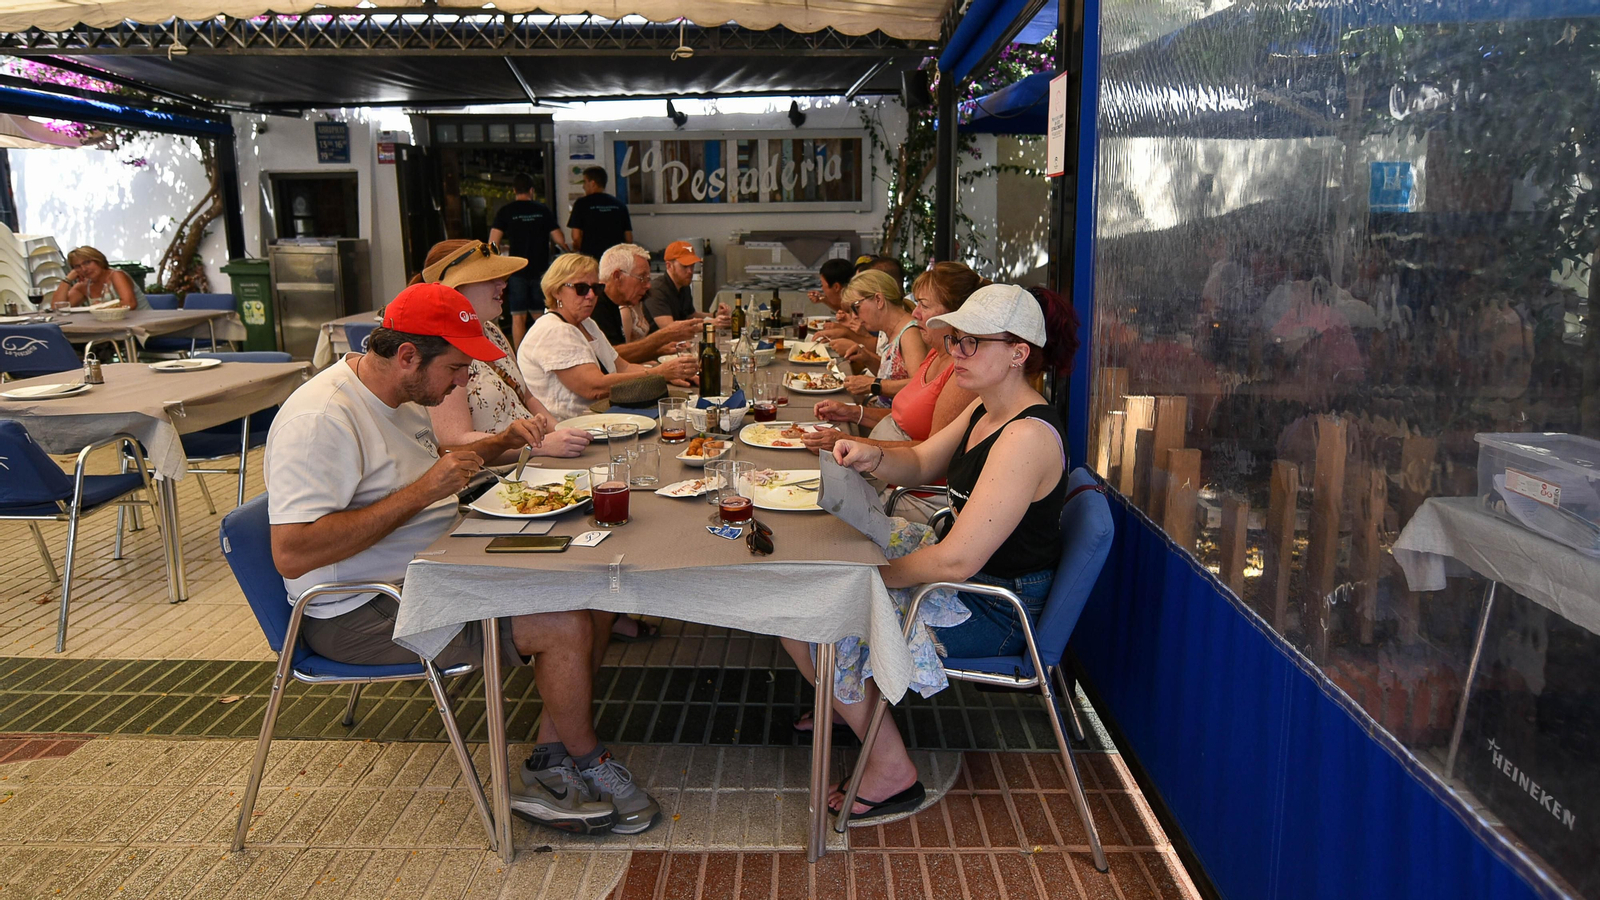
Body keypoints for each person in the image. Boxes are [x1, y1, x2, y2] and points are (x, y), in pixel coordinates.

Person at [264, 281, 660, 835]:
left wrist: (501, 442)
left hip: (435, 570)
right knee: (564, 621)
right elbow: (291, 553)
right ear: (407, 355)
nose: (462, 382)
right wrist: (423, 493)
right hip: (360, 609)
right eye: (455, 368)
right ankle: (583, 760)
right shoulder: (322, 419)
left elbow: (438, 460)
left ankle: (552, 760)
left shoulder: (397, 392)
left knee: (589, 585)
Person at [782, 283, 1080, 821]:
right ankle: (853, 707)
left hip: (994, 608)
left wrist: (869, 577)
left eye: (971, 342)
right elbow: (921, 462)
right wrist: (871, 456)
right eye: (956, 340)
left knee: (808, 614)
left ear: (1019, 353)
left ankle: (890, 769)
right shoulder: (988, 409)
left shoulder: (1026, 437)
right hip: (970, 582)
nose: (955, 352)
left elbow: (955, 562)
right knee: (812, 591)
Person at [413, 240, 590, 463]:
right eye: (489, 278)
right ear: (457, 288)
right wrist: (539, 446)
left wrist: (561, 431)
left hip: (535, 460)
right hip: (499, 475)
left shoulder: (492, 331)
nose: (502, 284)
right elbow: (454, 442)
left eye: (501, 277)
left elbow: (526, 396)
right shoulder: (442, 348)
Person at [804, 262, 985, 450]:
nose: (915, 313)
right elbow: (900, 419)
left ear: (954, 315)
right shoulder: (936, 353)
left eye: (923, 305)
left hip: (893, 465)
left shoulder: (961, 371)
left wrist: (850, 442)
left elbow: (933, 453)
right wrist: (851, 412)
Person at [518, 253, 699, 419]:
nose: (591, 295)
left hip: (597, 418)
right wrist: (659, 373)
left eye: (596, 288)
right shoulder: (555, 330)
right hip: (569, 430)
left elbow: (623, 367)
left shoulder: (587, 323)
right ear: (556, 291)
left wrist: (668, 374)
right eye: (581, 288)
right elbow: (594, 387)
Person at [488, 172, 569, 348]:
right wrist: (570, 250)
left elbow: (493, 243)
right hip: (541, 271)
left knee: (518, 317)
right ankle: (545, 352)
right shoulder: (542, 210)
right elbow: (559, 239)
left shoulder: (506, 211)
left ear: (514, 190)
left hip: (517, 271)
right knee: (541, 317)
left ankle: (520, 358)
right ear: (532, 190)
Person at [593, 243, 702, 363]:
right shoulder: (593, 305)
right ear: (617, 276)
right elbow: (609, 358)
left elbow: (619, 356)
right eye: (642, 278)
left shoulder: (615, 302)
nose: (648, 285)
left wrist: (658, 351)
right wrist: (664, 336)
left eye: (648, 279)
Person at [825, 270, 924, 401]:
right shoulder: (892, 331)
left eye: (856, 308)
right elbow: (893, 377)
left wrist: (873, 385)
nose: (854, 316)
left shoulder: (910, 334)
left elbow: (919, 386)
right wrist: (868, 358)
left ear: (879, 300)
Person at [51, 246, 149, 310]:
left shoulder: (116, 275)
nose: (84, 269)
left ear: (99, 260)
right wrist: (67, 279)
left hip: (142, 328)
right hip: (112, 330)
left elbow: (130, 304)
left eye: (87, 262)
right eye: (77, 266)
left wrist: (101, 308)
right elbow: (58, 308)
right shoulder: (84, 285)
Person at [566, 167, 632, 261]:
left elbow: (576, 236)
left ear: (592, 183)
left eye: (585, 182)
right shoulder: (619, 205)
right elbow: (628, 238)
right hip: (615, 259)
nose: (583, 186)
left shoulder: (581, 204)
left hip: (591, 259)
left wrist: (579, 250)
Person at [642, 240, 704, 328]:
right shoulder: (656, 290)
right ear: (669, 266)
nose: (690, 271)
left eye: (692, 265)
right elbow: (670, 329)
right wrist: (709, 325)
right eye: (685, 266)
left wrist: (716, 316)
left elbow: (691, 315)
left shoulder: (683, 285)